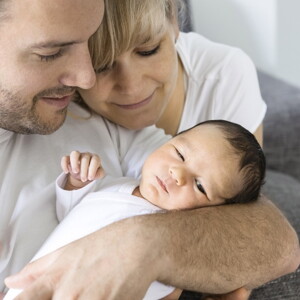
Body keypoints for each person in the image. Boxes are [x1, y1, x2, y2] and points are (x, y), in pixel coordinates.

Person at [2, 0, 299, 299]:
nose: (85, 78)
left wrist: (146, 245)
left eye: (147, 51)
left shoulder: (116, 135)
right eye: (50, 54)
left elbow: (270, 235)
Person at [4, 120, 267, 300]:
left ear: (215, 212)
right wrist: (76, 183)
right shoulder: (115, 184)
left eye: (199, 185)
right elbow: (69, 217)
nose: (177, 174)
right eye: (180, 154)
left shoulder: (170, 239)